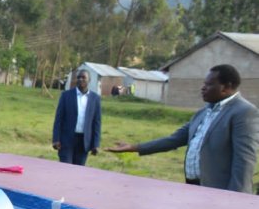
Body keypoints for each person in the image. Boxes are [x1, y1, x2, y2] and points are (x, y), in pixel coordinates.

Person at [107, 64, 259, 193]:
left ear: (226, 87)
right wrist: (134, 147)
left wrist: (238, 199)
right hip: (194, 187)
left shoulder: (244, 112)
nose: (203, 88)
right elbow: (174, 140)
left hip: (219, 191)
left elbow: (244, 161)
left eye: (209, 84)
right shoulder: (204, 112)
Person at [52, 68, 102, 166]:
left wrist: (95, 144)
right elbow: (58, 119)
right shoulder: (66, 95)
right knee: (65, 168)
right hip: (66, 140)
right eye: (78, 77)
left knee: (79, 172)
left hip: (84, 142)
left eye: (83, 77)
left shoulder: (95, 99)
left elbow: (97, 123)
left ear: (89, 80)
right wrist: (56, 139)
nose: (80, 79)